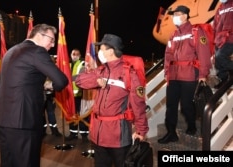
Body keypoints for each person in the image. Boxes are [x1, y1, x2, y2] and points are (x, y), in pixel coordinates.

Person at [0, 24, 68, 167]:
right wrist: (50, 85)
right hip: (23, 121)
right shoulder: (37, 51)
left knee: (8, 163)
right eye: (51, 40)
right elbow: (61, 80)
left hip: (4, 119)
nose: (52, 45)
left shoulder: (12, 50)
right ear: (39, 35)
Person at [75, 34, 149, 167]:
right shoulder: (101, 70)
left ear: (110, 51)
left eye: (102, 49)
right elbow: (79, 81)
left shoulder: (129, 74)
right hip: (98, 136)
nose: (99, 53)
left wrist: (141, 131)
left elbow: (139, 105)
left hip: (118, 137)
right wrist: (96, 81)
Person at [158, 6, 212, 144]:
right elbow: (167, 55)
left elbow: (204, 54)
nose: (174, 16)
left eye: (177, 14)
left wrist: (203, 74)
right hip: (174, 76)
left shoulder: (196, 31)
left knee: (187, 105)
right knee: (171, 105)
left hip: (189, 75)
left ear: (185, 16)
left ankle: (192, 126)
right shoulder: (173, 35)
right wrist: (166, 72)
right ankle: (171, 132)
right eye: (173, 14)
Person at [206, 0, 233, 88]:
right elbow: (215, 27)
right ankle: (222, 79)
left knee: (220, 56)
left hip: (231, 37)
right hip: (221, 39)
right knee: (216, 60)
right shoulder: (220, 8)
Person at [65, 48, 89, 142]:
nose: (74, 55)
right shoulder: (68, 64)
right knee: (72, 115)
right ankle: (73, 133)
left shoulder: (82, 64)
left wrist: (68, 78)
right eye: (73, 53)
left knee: (83, 115)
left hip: (80, 94)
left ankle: (84, 135)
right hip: (70, 95)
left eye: (76, 54)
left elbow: (81, 76)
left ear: (79, 55)